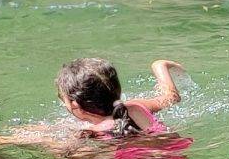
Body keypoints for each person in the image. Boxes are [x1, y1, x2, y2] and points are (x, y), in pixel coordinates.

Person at [55, 57, 186, 136]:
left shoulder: (91, 132)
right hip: (173, 150)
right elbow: (172, 97)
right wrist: (159, 66)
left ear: (74, 105)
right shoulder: (137, 107)